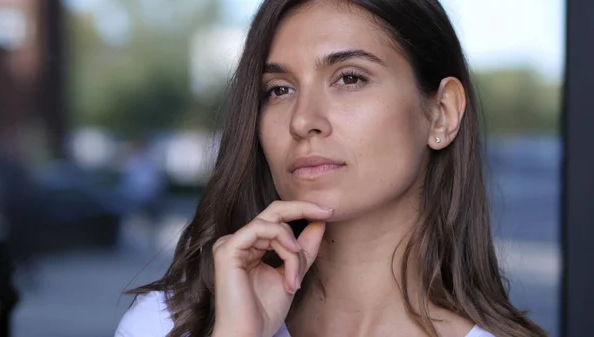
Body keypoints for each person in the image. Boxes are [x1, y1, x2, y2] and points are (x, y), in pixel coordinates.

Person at [116, 1, 547, 336]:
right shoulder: (167, 326)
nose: (303, 120)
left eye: (350, 78)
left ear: (442, 114)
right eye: (279, 89)